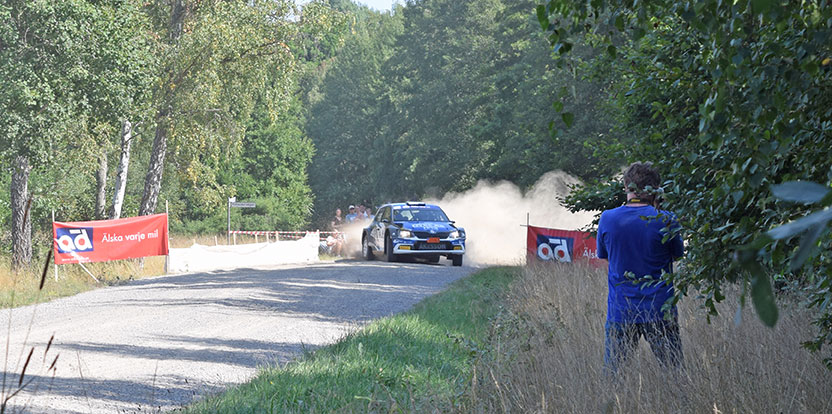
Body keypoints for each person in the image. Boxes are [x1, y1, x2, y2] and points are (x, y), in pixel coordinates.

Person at [596, 161, 685, 375]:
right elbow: (677, 255)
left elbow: (604, 256)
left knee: (613, 377)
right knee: (675, 375)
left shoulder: (608, 219)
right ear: (656, 189)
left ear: (626, 186)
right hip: (660, 309)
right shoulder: (667, 219)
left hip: (621, 310)